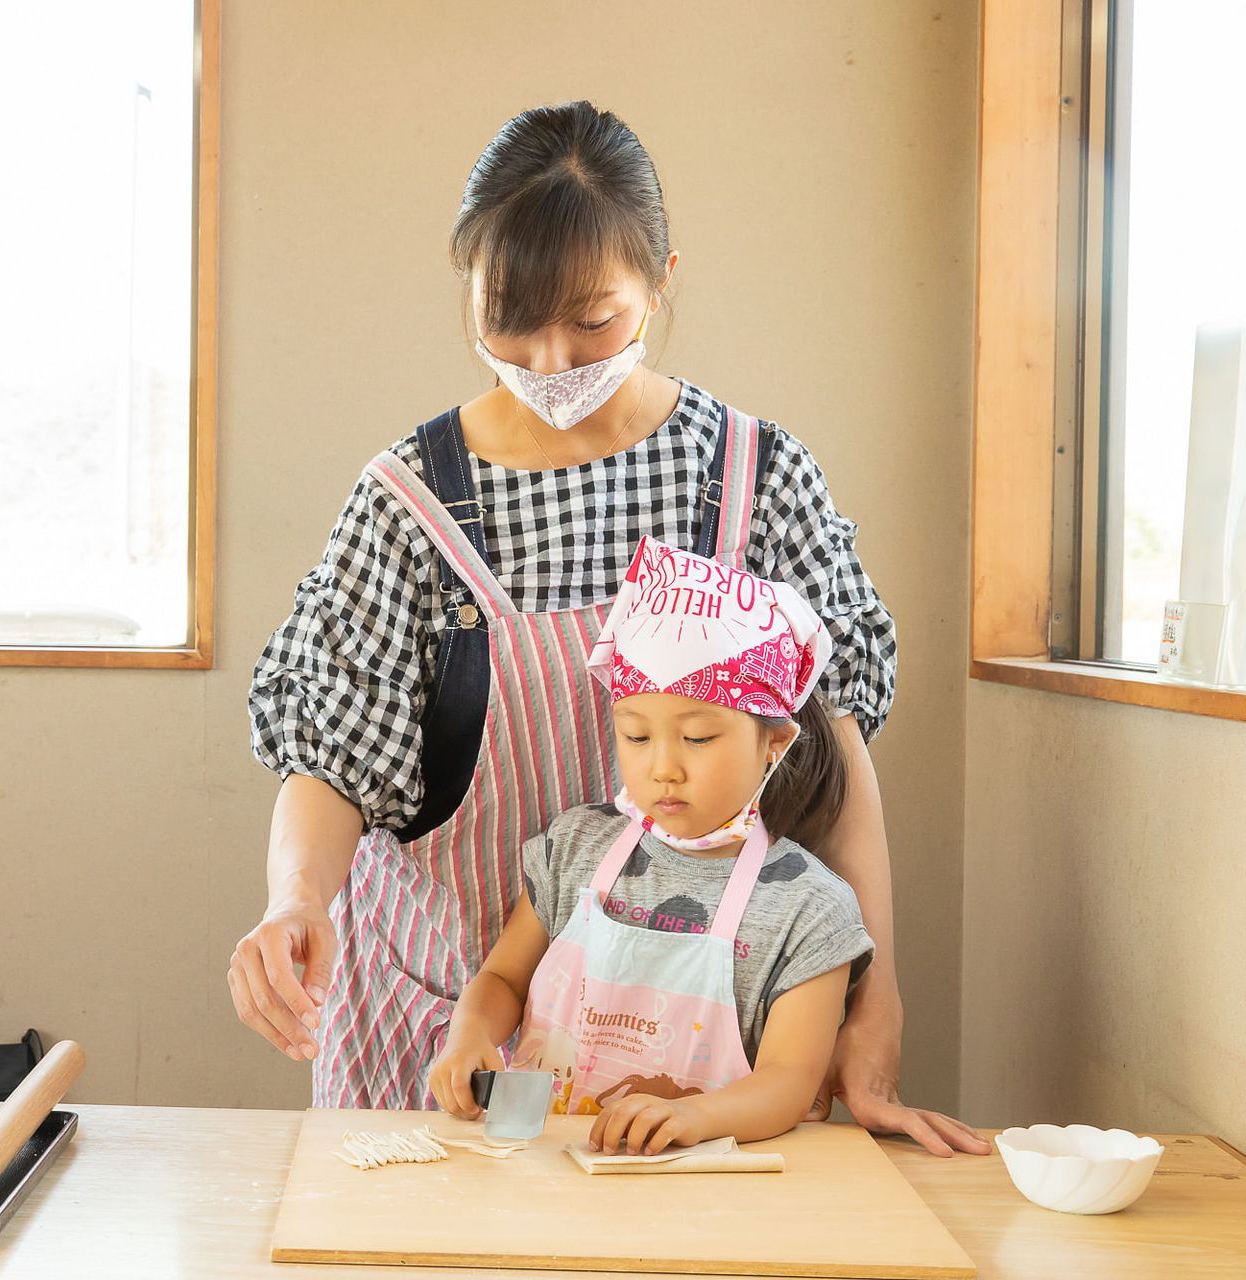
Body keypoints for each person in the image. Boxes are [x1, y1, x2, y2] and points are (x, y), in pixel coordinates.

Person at [235, 100, 985, 1155]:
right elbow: (333, 753)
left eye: (591, 319)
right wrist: (294, 897)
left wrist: (876, 995)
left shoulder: (755, 480)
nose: (549, 360)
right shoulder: (409, 502)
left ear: (661, 278)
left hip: (696, 1056)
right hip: (449, 1014)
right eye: (510, 317)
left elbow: (834, 752)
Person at [429, 538, 869, 1153]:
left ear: (774, 742)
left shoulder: (810, 909)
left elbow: (789, 1083)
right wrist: (471, 1032)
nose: (663, 768)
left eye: (698, 738)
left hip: (700, 1183)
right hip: (550, 1171)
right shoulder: (574, 849)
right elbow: (503, 978)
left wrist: (693, 1118)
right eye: (637, 736)